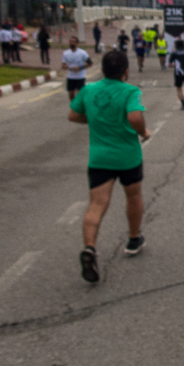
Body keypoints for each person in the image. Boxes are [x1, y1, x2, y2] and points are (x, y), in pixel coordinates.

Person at [68, 49, 151, 283]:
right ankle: (134, 239)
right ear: (126, 70)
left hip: (100, 158)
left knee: (96, 205)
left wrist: (94, 120)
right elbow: (135, 117)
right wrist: (143, 131)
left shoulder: (89, 90)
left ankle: (90, 248)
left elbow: (73, 116)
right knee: (133, 195)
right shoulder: (130, 91)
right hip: (127, 157)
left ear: (103, 69)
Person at [62, 36, 93, 102]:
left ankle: (79, 107)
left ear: (77, 43)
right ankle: (73, 107)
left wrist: (80, 67)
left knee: (79, 94)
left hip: (80, 76)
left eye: (74, 42)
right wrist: (65, 66)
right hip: (70, 76)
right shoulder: (66, 53)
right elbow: (63, 65)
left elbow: (90, 63)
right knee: (71, 94)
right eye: (71, 42)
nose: (72, 43)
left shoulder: (82, 53)